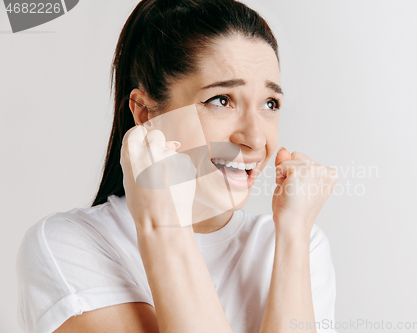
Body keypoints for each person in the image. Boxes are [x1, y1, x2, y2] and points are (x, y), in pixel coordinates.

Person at [16, 0, 339, 332]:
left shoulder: (297, 241)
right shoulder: (70, 245)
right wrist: (162, 225)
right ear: (146, 113)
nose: (256, 139)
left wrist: (294, 235)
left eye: (270, 104)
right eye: (221, 100)